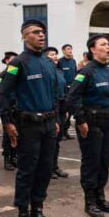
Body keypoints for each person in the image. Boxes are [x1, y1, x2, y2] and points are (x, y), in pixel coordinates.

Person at [0, 19, 63, 217]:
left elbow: (54, 93)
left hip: (48, 124)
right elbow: (2, 93)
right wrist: (7, 122)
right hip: (28, 125)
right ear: (24, 37)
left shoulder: (48, 62)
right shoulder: (18, 63)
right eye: (35, 32)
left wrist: (55, 117)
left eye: (43, 32)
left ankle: (38, 213)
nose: (41, 35)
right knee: (27, 171)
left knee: (45, 169)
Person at [66, 34, 109, 217]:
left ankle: (100, 198)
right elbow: (72, 97)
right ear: (93, 49)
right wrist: (80, 120)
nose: (108, 47)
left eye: (108, 45)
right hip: (92, 122)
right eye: (103, 44)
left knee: (105, 161)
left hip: (108, 121)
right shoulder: (86, 72)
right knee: (92, 162)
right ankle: (90, 201)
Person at [44, 47, 69, 179]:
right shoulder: (44, 72)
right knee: (50, 141)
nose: (55, 57)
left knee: (57, 140)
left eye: (55, 54)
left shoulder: (59, 71)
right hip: (50, 107)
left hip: (60, 105)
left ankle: (55, 166)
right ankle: (47, 169)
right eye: (51, 54)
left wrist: (65, 109)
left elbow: (64, 90)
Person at [0, 51, 18, 171]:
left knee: (17, 135)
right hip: (7, 110)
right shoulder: (2, 75)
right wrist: (3, 112)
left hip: (18, 109)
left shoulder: (17, 74)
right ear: (6, 61)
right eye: (12, 60)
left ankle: (14, 157)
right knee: (8, 135)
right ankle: (7, 159)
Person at [57, 44, 78, 139]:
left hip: (72, 89)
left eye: (71, 49)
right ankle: (61, 133)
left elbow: (76, 74)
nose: (70, 50)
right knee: (63, 111)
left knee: (70, 111)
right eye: (68, 49)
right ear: (63, 51)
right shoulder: (60, 62)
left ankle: (66, 131)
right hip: (64, 90)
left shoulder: (73, 61)